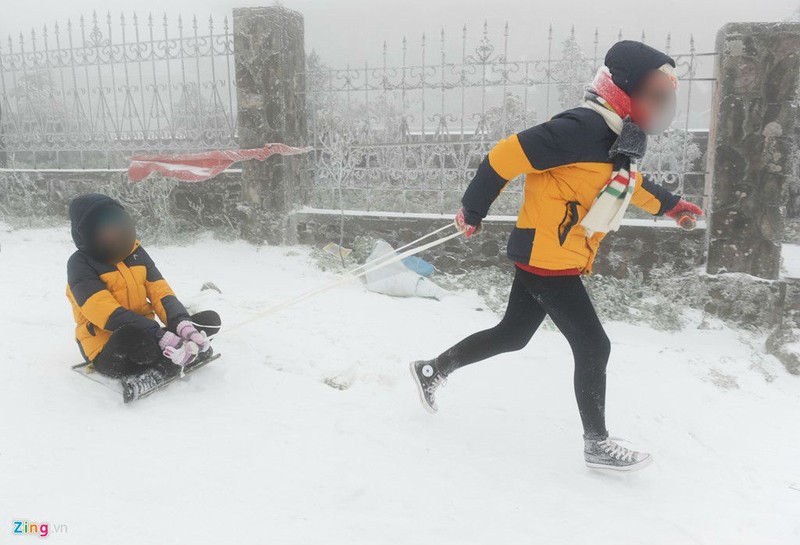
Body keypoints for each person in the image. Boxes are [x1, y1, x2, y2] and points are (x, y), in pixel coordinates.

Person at [410, 41, 704, 472]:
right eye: (654, 95)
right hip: (546, 256)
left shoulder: (617, 137)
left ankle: (432, 370)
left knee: (512, 334)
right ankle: (596, 444)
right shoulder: (580, 128)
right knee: (593, 345)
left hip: (553, 252)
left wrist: (671, 205)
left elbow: (627, 183)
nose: (661, 105)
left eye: (665, 97)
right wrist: (473, 210)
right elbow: (503, 157)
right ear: (624, 89)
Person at [66, 193, 221, 392]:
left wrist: (183, 325)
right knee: (139, 343)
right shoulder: (80, 264)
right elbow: (106, 312)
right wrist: (160, 336)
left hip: (149, 333)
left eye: (119, 227)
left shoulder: (136, 253)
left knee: (209, 320)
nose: (117, 233)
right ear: (88, 235)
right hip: (109, 346)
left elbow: (161, 293)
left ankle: (184, 351)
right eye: (108, 231)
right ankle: (162, 369)